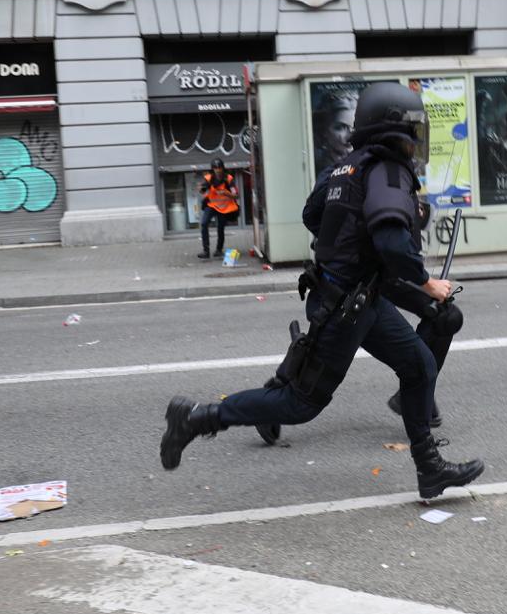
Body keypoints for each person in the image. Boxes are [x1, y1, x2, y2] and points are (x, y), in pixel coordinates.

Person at [158, 81, 485, 500]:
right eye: (413, 129)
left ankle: (430, 469)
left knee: (419, 365)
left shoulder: (346, 166)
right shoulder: (386, 170)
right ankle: (198, 418)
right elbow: (391, 243)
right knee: (299, 404)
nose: (416, 140)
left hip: (355, 296)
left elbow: (314, 215)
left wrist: (351, 246)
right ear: (394, 131)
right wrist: (426, 283)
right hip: (347, 305)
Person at [196, 159, 239, 260]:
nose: (217, 170)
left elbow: (236, 196)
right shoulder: (209, 178)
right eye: (215, 168)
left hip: (225, 207)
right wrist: (201, 189)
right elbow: (203, 190)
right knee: (204, 223)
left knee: (220, 228)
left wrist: (226, 193)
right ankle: (206, 251)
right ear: (212, 169)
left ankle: (219, 250)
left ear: (223, 168)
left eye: (219, 168)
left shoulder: (229, 179)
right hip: (212, 205)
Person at [313, 90, 359, 173]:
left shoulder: (367, 164)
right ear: (324, 131)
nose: (350, 135)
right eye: (340, 127)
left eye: (355, 127)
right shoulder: (316, 167)